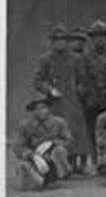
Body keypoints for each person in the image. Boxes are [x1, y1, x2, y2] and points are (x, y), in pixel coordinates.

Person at [33, 25, 88, 168]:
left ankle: (77, 165)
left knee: (76, 131)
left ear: (67, 42)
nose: (60, 43)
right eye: (57, 40)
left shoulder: (76, 58)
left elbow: (83, 78)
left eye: (63, 40)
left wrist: (80, 90)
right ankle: (61, 164)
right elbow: (37, 80)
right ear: (52, 42)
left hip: (72, 101)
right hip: (54, 103)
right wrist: (49, 89)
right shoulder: (46, 59)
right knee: (57, 132)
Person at [14, 93, 73, 191]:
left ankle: (55, 177)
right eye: (36, 109)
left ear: (49, 108)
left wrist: (52, 144)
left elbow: (69, 141)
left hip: (53, 156)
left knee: (59, 151)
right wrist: (32, 155)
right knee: (29, 181)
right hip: (34, 158)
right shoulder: (25, 125)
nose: (40, 111)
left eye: (43, 107)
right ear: (32, 111)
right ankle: (39, 179)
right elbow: (18, 147)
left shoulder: (59, 122)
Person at [81, 20, 106, 168]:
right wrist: (86, 96)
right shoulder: (86, 58)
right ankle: (95, 162)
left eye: (102, 36)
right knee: (93, 132)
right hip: (92, 101)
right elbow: (82, 78)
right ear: (92, 39)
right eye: (96, 37)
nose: (99, 39)